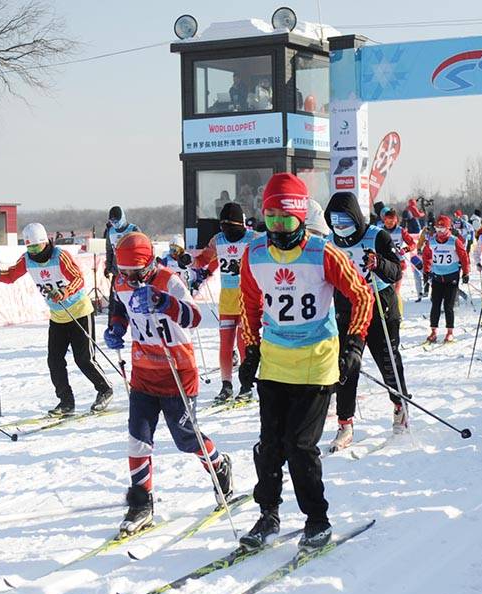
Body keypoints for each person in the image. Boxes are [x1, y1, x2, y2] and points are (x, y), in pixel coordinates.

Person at [237, 173, 373, 551]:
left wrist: (355, 344)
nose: (277, 228)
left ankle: (317, 518)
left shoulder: (322, 253)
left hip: (317, 361)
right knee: (269, 446)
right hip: (276, 362)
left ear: (301, 217)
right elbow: (248, 304)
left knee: (299, 446)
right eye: (270, 219)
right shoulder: (255, 253)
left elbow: (361, 296)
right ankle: (268, 515)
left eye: (285, 219)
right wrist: (250, 350)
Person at [103, 232, 232, 536]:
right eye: (124, 273)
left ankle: (219, 465)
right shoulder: (120, 282)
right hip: (143, 373)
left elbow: (195, 317)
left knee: (186, 439)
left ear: (147, 264)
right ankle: (141, 503)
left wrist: (164, 302)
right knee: (138, 439)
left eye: (134, 273)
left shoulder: (169, 280)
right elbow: (119, 310)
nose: (129, 279)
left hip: (177, 373)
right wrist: (116, 329)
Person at [0, 223, 113, 416]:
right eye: (29, 247)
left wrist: (64, 291)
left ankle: (105, 390)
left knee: (83, 359)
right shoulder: (27, 259)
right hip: (57, 316)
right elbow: (10, 275)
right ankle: (66, 401)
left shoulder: (59, 256)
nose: (33, 251)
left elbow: (78, 278)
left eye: (36, 246)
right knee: (54, 360)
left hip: (79, 311)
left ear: (46, 242)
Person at [326, 192, 408, 448]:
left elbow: (396, 269)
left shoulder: (376, 236)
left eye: (345, 219)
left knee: (388, 360)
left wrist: (378, 262)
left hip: (380, 305)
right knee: (347, 366)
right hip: (348, 309)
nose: (340, 226)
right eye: (334, 220)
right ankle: (345, 423)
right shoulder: (330, 241)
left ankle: (399, 404)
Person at [191, 203, 257, 403]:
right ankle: (226, 385)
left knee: (243, 342)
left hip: (247, 297)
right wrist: (188, 261)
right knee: (226, 343)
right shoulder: (218, 240)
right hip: (227, 298)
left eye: (232, 228)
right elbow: (205, 259)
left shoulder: (253, 239)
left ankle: (246, 384)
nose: (228, 233)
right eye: (225, 228)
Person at [422, 215, 470, 343]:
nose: (439, 232)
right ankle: (433, 331)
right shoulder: (431, 241)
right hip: (437, 278)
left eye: (442, 229)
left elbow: (464, 257)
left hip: (451, 278)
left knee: (448, 306)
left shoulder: (454, 241)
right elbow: (426, 256)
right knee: (435, 305)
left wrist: (466, 273)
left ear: (448, 229)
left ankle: (450, 332)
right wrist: (426, 271)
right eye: (437, 229)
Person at [104, 206, 140, 322]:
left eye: (116, 221)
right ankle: (112, 326)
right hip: (118, 273)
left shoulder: (133, 229)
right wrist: (108, 266)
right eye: (112, 221)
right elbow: (109, 250)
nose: (115, 224)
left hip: (133, 273)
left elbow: (142, 249)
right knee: (114, 303)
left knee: (136, 301)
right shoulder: (110, 231)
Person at [378, 207, 416, 308]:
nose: (389, 223)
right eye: (387, 221)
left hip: (399, 263)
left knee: (395, 292)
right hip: (385, 263)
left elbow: (412, 244)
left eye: (392, 221)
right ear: (384, 220)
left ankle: (398, 315)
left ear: (396, 221)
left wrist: (405, 250)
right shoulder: (380, 231)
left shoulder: (401, 231)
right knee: (385, 291)